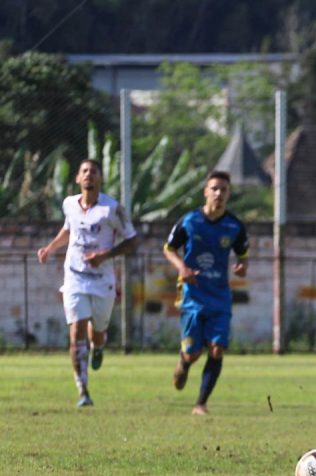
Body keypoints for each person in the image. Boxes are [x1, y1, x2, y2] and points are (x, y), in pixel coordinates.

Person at [37, 159, 139, 407]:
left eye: (93, 172)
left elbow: (132, 240)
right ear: (77, 178)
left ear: (100, 178)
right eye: (84, 171)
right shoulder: (69, 204)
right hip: (75, 276)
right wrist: (50, 248)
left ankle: (99, 347)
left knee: (99, 331)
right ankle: (83, 390)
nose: (89, 175)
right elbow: (68, 229)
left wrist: (105, 256)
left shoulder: (112, 209)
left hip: (103, 280)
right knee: (76, 331)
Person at [163, 170, 249, 416]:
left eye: (224, 189)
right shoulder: (190, 221)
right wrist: (182, 268)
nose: (219, 193)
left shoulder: (235, 226)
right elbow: (169, 248)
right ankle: (183, 361)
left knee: (217, 348)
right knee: (193, 353)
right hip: (193, 294)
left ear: (229, 194)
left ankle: (201, 403)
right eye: (214, 189)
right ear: (206, 192)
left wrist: (243, 267)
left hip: (220, 295)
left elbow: (243, 254)